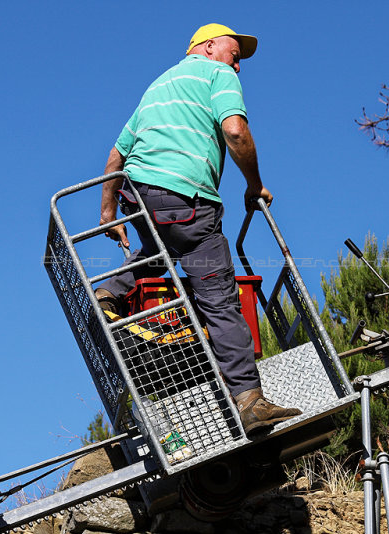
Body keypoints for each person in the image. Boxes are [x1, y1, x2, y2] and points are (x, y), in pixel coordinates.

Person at [95, 23, 301, 435]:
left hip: (141, 197)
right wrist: (253, 184)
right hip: (186, 198)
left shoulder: (158, 85)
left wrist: (108, 212)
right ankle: (248, 398)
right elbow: (235, 130)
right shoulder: (216, 75)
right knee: (219, 296)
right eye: (234, 54)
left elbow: (118, 154)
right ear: (208, 48)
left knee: (164, 246)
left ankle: (108, 292)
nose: (238, 66)